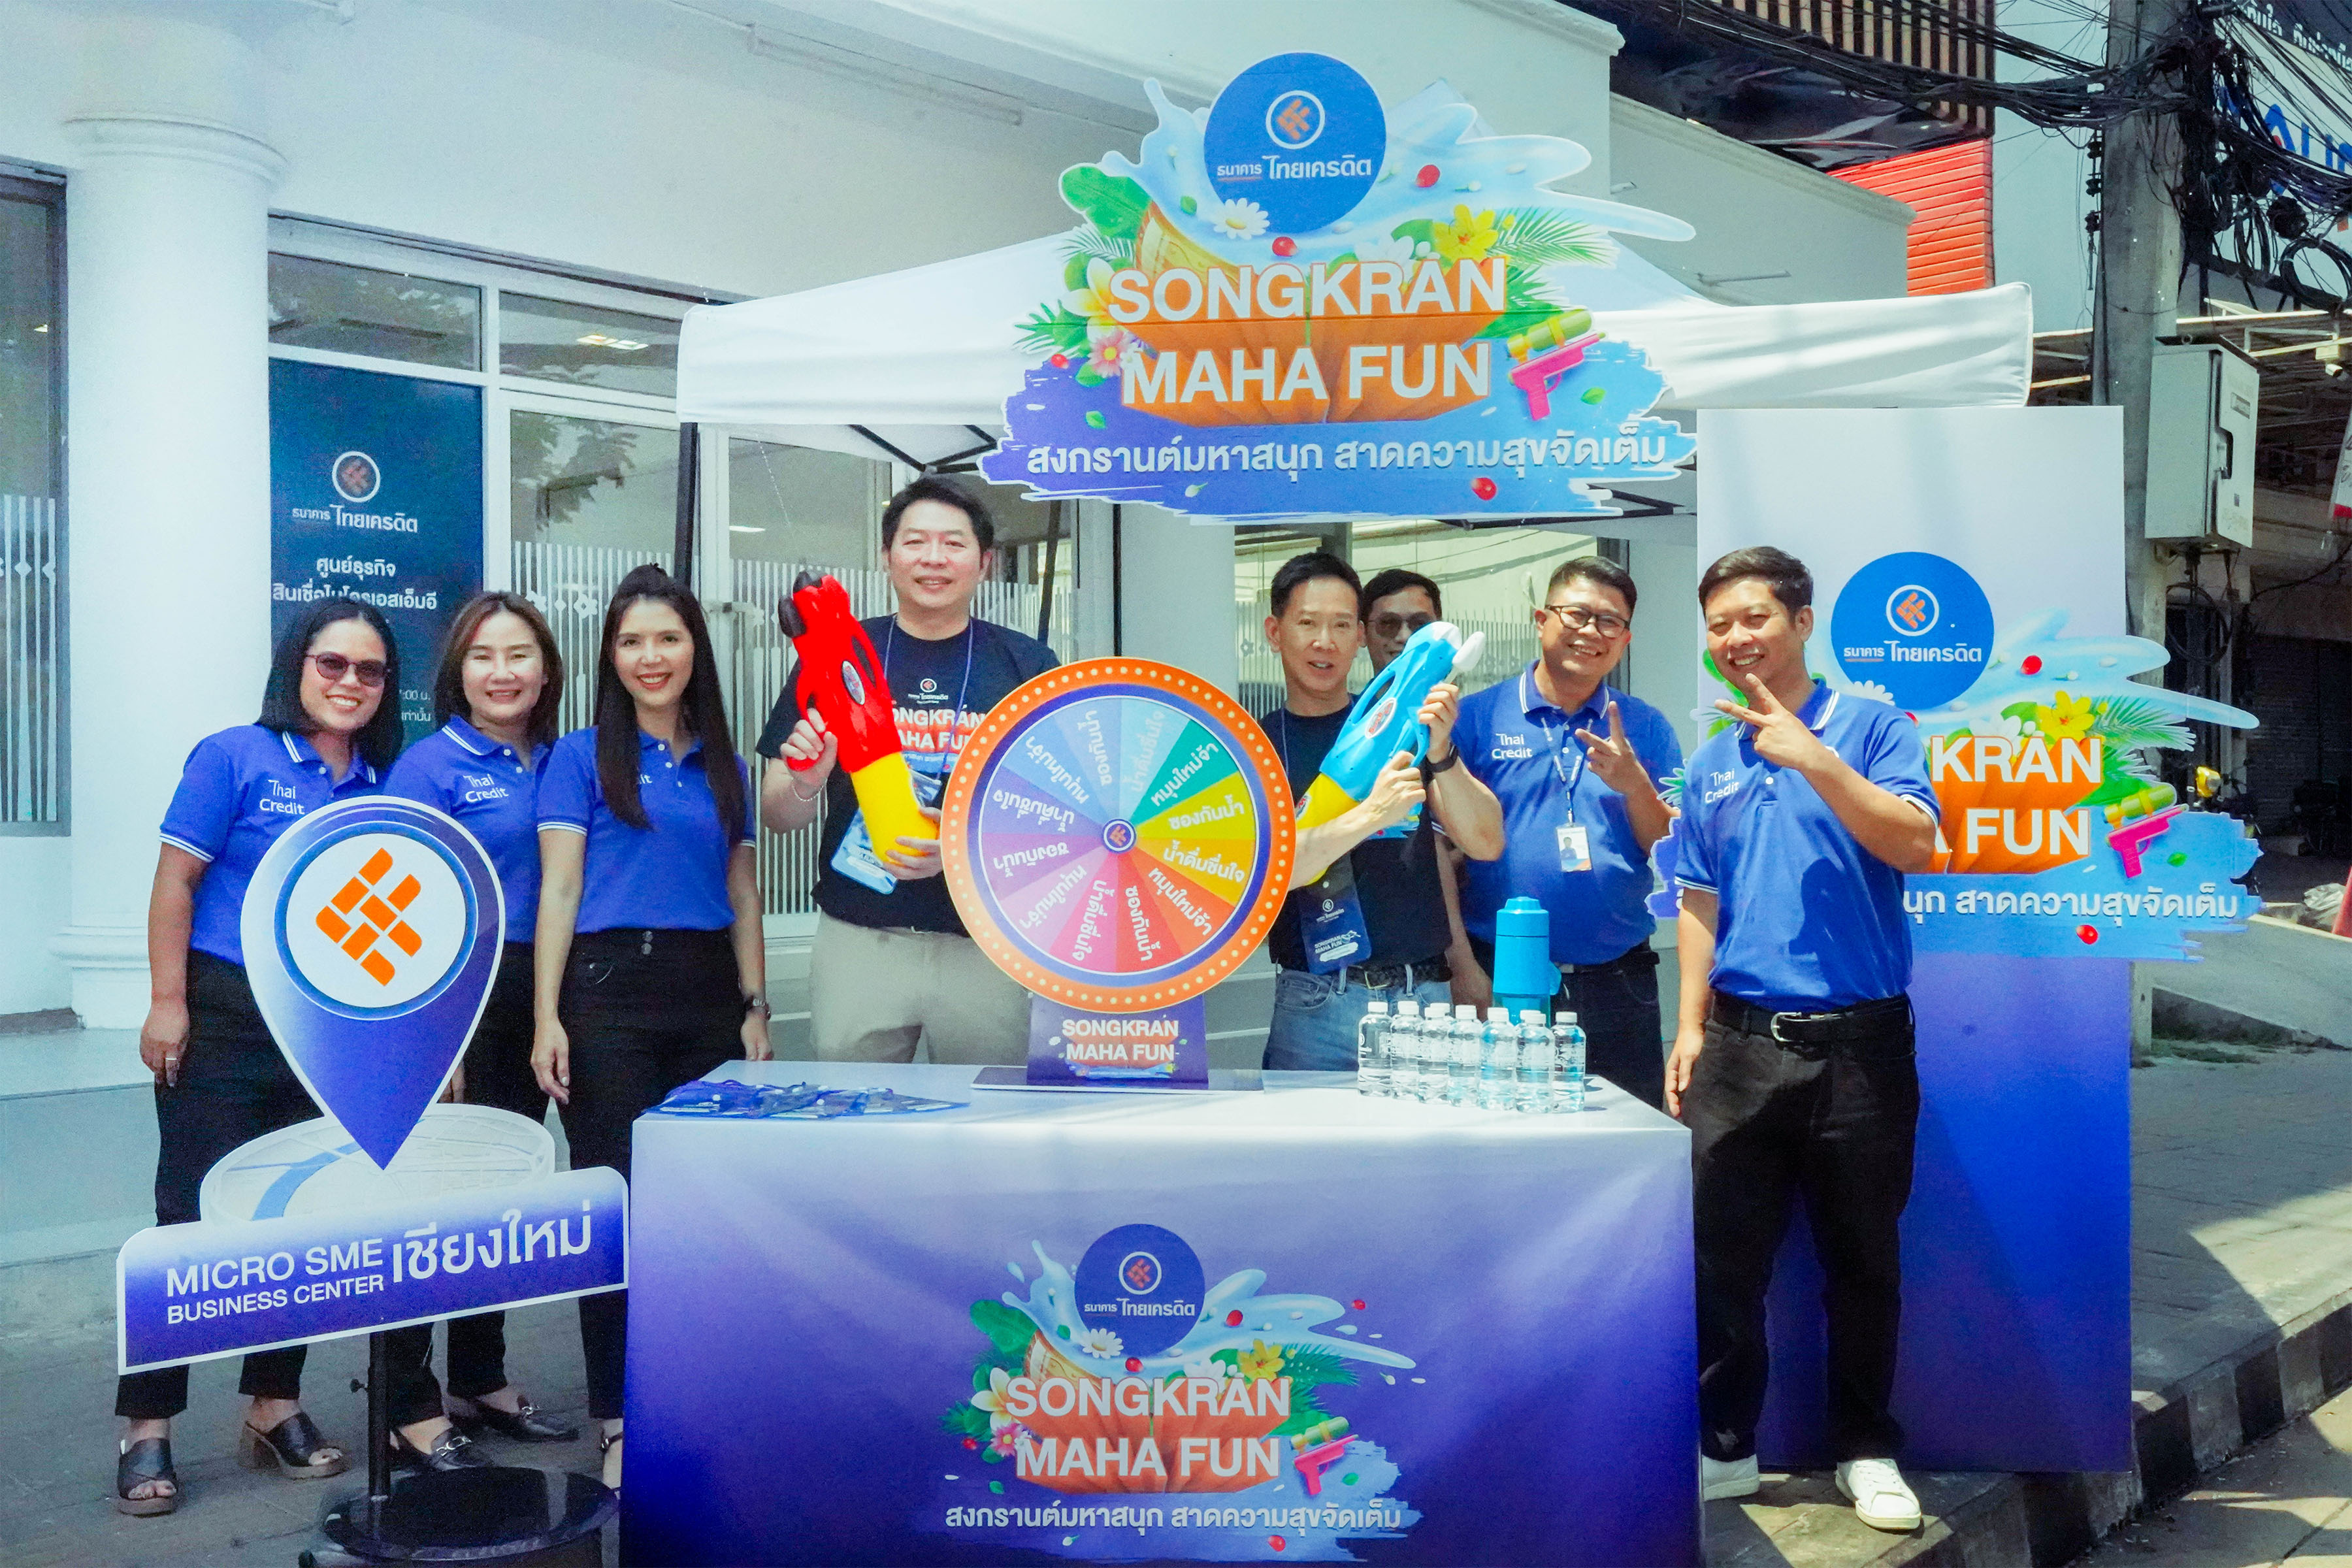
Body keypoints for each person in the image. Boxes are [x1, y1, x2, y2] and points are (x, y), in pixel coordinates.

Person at [1665, 547, 1939, 1532]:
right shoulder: (1711, 761)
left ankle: (1865, 1449)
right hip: (1739, 1046)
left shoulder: (1873, 726)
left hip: (1862, 1048)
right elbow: (1698, 898)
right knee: (1721, 1261)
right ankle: (1725, 1446)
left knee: (1863, 1261)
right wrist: (1689, 1025)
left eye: (1755, 618)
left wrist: (1814, 757)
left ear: (1802, 622)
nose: (1736, 638)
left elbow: (1917, 843)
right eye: (1720, 624)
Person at [114, 598, 401, 1514]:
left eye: (369, 669)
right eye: (332, 663)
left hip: (324, 1030)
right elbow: (176, 882)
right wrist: (168, 1001)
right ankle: (147, 1426)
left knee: (299, 1220)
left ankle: (274, 1405)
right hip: (224, 1013)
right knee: (186, 1217)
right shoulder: (233, 756)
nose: (350, 682)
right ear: (296, 667)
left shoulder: (381, 784)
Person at [534, 564, 771, 1489]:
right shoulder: (578, 758)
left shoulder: (727, 766)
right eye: (631, 641)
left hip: (708, 995)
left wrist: (755, 1007)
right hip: (608, 997)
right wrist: (547, 1016)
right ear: (610, 656)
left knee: (704, 1208)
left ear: (694, 650)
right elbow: (560, 889)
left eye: (667, 638)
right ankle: (620, 1416)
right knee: (619, 1209)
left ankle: (697, 1396)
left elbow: (743, 894)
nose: (650, 656)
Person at [378, 593, 579, 1472]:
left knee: (501, 1196)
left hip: (541, 993)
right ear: (457, 672)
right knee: (433, 1202)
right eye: (483, 656)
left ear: (547, 668)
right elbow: (401, 904)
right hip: (458, 998)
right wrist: (439, 1032)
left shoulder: (566, 760)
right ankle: (406, 1402)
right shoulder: (429, 766)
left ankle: (478, 1377)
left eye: (520, 654)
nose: (503, 673)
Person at [758, 476, 1057, 1064]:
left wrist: (963, 850)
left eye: (954, 543)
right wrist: (806, 781)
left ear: (985, 563)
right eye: (916, 541)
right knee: (856, 1112)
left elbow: (1058, 817)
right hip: (860, 939)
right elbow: (776, 815)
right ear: (887, 557)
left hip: (986, 943)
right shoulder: (833, 652)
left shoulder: (1027, 664)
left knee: (987, 1111)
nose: (933, 558)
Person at [1445, 556, 1682, 1107]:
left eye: (1610, 622)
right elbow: (1437, 849)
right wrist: (1461, 967)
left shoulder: (1645, 725)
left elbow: (1669, 850)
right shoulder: (1477, 718)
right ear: (1541, 620)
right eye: (1577, 615)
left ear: (1625, 640)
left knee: (1625, 1137)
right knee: (1505, 1137)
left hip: (1619, 981)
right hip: (1500, 978)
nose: (1591, 632)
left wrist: (1636, 786)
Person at [1257, 553, 1500, 1070]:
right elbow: (1271, 874)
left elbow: (1485, 842)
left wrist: (1442, 752)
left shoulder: (1398, 724)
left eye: (1342, 625)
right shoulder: (1252, 749)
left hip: (1423, 999)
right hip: (1315, 1005)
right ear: (1275, 633)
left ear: (1361, 636)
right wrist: (1371, 814)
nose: (1326, 641)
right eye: (1308, 623)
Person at [1358, 568, 1484, 1009]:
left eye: (1419, 624)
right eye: (1387, 624)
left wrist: (1463, 966)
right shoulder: (1354, 726)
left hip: (1437, 969)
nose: (1404, 637)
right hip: (1335, 973)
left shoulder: (1458, 724)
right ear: (1364, 634)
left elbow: (1474, 844)